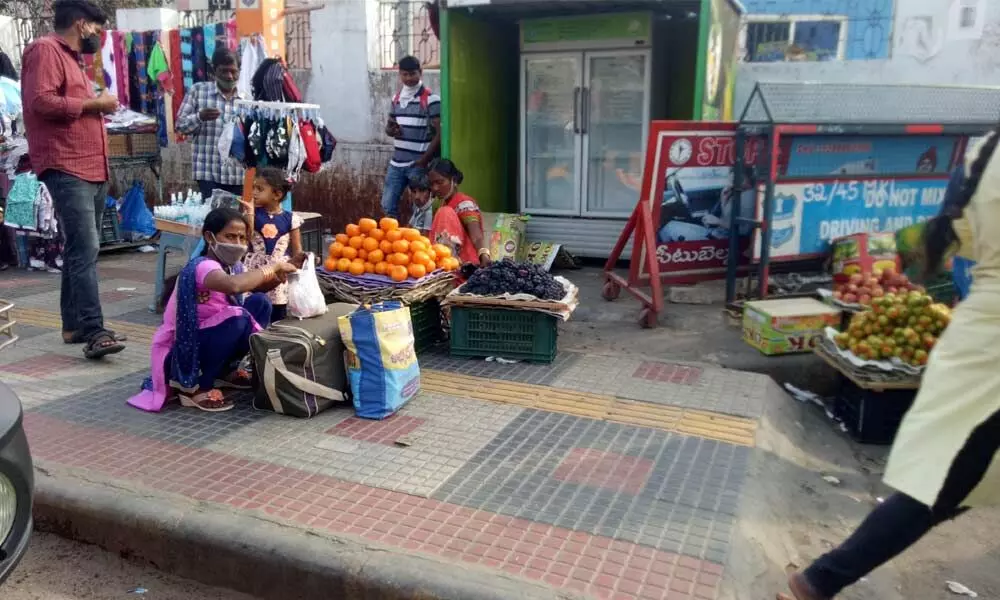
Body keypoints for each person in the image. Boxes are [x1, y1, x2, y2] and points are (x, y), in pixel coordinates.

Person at [778, 129, 1000, 600]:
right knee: (947, 485)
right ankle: (820, 580)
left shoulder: (984, 152)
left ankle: (821, 580)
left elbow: (955, 242)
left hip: (978, 337)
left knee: (947, 483)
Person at [21, 0, 125, 359]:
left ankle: (74, 326)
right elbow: (41, 102)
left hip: (90, 165)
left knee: (79, 249)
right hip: (66, 164)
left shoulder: (74, 61)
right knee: (85, 249)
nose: (99, 35)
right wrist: (95, 105)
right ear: (82, 24)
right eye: (97, 28)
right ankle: (95, 331)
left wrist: (94, 104)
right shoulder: (45, 50)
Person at [128, 208, 299, 413]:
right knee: (238, 318)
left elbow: (252, 286)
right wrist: (273, 267)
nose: (237, 243)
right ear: (209, 236)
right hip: (184, 348)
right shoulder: (202, 266)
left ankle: (226, 371)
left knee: (261, 303)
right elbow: (233, 286)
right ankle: (198, 386)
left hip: (211, 336)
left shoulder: (233, 266)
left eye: (241, 238)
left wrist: (279, 277)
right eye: (229, 236)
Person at [175, 48, 245, 200]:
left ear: (239, 71)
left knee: (238, 220)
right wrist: (200, 116)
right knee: (214, 218)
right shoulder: (198, 91)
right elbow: (180, 126)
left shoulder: (246, 97)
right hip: (208, 171)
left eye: (233, 71)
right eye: (224, 71)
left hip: (239, 173)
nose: (229, 76)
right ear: (214, 70)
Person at [381, 55, 440, 219]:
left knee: (421, 207)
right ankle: (395, 240)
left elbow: (440, 133)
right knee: (387, 205)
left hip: (418, 164)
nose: (408, 78)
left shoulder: (431, 99)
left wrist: (424, 159)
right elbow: (389, 126)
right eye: (404, 74)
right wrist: (392, 130)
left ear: (420, 73)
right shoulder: (396, 98)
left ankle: (417, 241)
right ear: (400, 74)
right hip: (396, 163)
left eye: (412, 74)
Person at [242, 167, 304, 323]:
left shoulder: (291, 219)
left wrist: (302, 262)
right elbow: (246, 237)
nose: (254, 192)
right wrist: (249, 213)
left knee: (278, 312)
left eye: (260, 189)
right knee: (254, 307)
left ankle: (274, 340)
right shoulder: (252, 214)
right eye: (253, 188)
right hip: (254, 269)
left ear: (277, 195)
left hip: (279, 270)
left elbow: (297, 250)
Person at [427, 158, 489, 267]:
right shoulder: (443, 205)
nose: (435, 188)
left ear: (454, 180)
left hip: (464, 266)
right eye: (432, 184)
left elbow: (476, 236)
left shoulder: (464, 203)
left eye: (440, 182)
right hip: (445, 265)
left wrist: (484, 255)